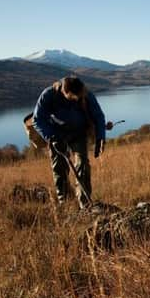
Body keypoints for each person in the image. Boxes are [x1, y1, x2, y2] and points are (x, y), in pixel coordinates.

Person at [32, 76, 109, 208]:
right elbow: (38, 120)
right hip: (57, 135)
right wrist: (51, 137)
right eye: (73, 97)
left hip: (78, 134)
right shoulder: (49, 95)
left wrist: (100, 138)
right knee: (59, 168)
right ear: (64, 92)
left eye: (79, 96)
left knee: (83, 165)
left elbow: (98, 116)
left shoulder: (85, 94)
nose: (77, 99)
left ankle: (85, 204)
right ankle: (65, 202)